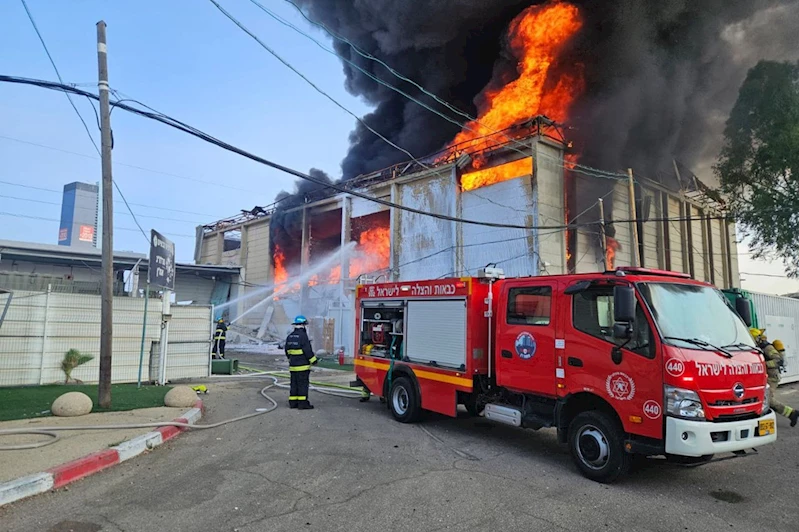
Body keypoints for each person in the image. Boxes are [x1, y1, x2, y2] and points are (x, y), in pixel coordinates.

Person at [751, 328, 798, 427]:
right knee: (762, 398)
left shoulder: (767, 348)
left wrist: (763, 364)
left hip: (772, 377)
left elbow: (778, 360)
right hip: (766, 376)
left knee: (768, 399)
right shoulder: (758, 347)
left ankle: (791, 413)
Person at [285, 315, 318, 409]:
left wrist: (292, 359)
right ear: (303, 325)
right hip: (302, 366)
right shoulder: (303, 336)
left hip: (293, 366)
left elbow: (287, 350)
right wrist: (314, 360)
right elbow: (307, 350)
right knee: (302, 385)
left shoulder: (290, 336)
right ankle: (302, 403)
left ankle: (293, 403)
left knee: (294, 384)